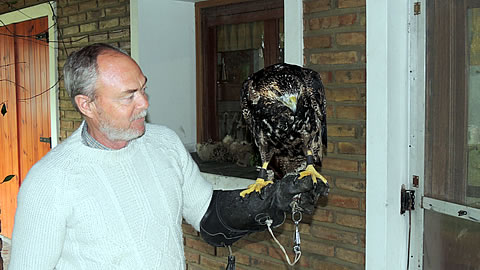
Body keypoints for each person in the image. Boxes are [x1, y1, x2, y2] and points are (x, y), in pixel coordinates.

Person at [8, 43, 327, 269]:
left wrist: (272, 199)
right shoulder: (50, 180)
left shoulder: (164, 143)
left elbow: (209, 217)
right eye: (128, 96)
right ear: (86, 105)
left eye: (143, 88)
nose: (144, 103)